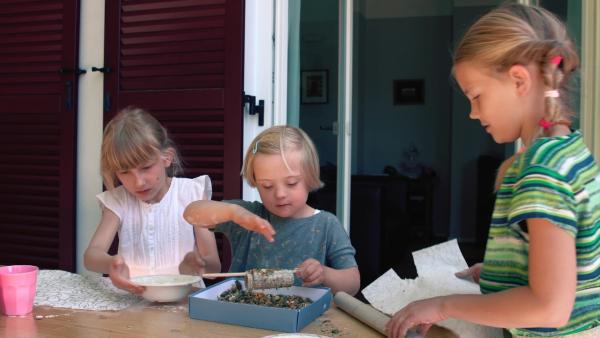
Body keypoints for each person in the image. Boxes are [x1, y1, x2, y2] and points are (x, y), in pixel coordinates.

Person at [386, 3, 600, 338]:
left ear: (518, 80)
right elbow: (571, 265)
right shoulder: (569, 151)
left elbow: (550, 308)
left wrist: (443, 304)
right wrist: (501, 272)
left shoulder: (542, 171)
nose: (473, 113)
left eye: (476, 96)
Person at [184, 125, 360, 295]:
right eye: (267, 186)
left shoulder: (326, 224)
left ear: (310, 176)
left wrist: (324, 273)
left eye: (291, 183)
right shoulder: (249, 216)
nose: (280, 194)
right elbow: (192, 212)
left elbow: (352, 284)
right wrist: (234, 213)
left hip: (303, 322)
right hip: (242, 316)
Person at [84, 106, 220, 294]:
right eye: (125, 172)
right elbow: (91, 255)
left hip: (183, 301)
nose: (138, 182)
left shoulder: (192, 194)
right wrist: (111, 264)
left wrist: (199, 265)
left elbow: (215, 266)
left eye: (146, 167)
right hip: (133, 300)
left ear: (166, 157)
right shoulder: (118, 200)